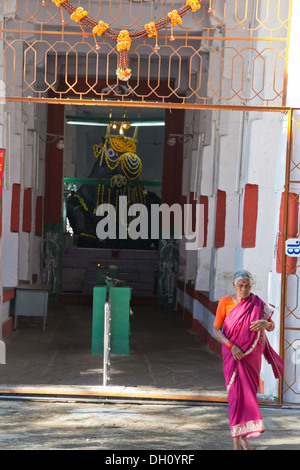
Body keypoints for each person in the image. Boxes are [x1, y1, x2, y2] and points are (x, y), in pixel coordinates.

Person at [213, 270, 283, 450]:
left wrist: (265, 324)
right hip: (233, 355)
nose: (244, 289)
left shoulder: (257, 303)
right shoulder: (225, 302)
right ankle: (237, 443)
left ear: (251, 286)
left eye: (248, 285)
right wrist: (231, 346)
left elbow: (272, 325)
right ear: (234, 286)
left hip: (252, 357)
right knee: (235, 398)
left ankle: (243, 440)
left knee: (248, 396)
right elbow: (216, 330)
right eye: (241, 285)